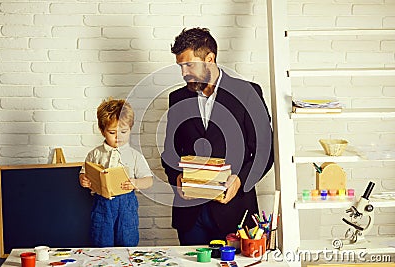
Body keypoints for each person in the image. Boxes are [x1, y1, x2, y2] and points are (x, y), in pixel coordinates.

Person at [161, 27, 274, 245]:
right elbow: (170, 153)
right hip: (190, 215)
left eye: (189, 64)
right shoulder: (176, 98)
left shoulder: (248, 93)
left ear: (210, 59)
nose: (184, 73)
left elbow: (265, 150)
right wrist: (177, 179)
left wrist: (239, 181)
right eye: (180, 66)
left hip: (234, 210)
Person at [79, 98, 153, 247]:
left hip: (126, 204)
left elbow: (149, 180)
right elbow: (84, 173)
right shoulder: (95, 154)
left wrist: (136, 183)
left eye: (123, 131)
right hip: (102, 203)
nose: (118, 136)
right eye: (112, 132)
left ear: (130, 129)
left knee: (127, 240)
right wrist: (83, 180)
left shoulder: (134, 155)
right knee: (101, 240)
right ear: (102, 130)